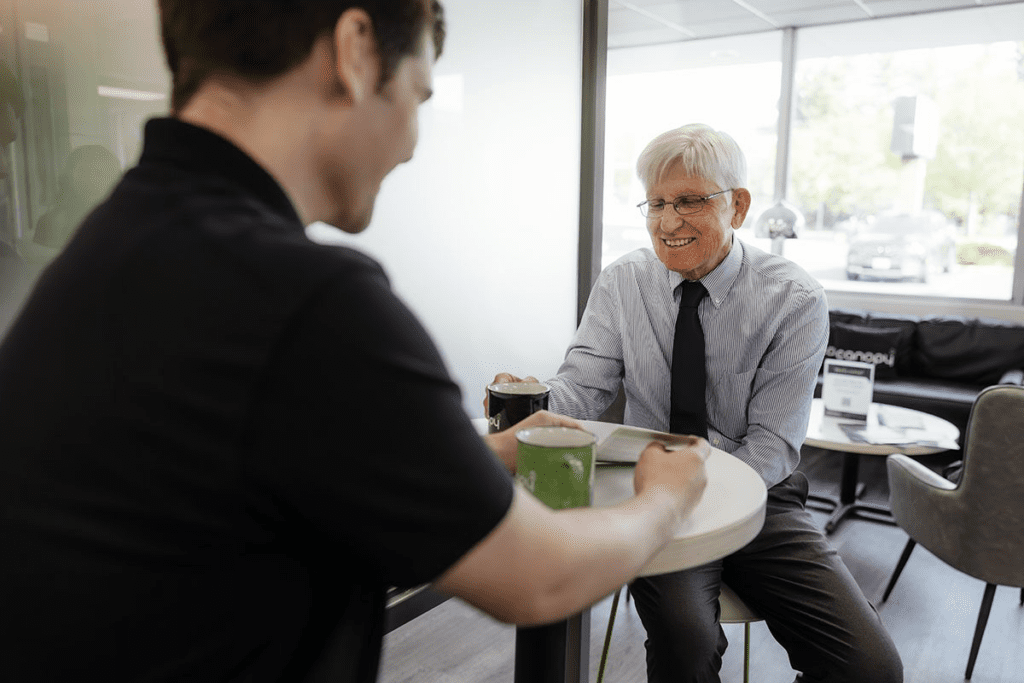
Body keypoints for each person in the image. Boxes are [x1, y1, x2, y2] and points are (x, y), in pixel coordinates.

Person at [0, 2, 710, 681]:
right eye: (419, 96)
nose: (409, 143)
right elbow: (539, 575)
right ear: (357, 51)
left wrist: (475, 453)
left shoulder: (109, 247)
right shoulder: (307, 301)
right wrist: (664, 498)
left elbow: (244, 465)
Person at [491, 123, 903, 683]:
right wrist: (530, 400)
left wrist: (701, 492)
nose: (667, 222)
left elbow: (772, 444)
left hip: (764, 497)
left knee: (870, 667)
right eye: (656, 203)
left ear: (738, 206)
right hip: (652, 489)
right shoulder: (622, 283)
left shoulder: (795, 298)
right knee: (688, 645)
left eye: (688, 201)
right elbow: (582, 391)